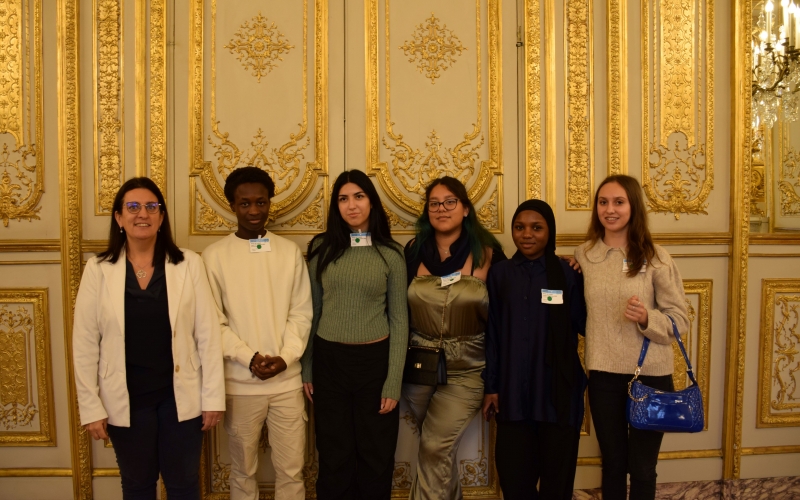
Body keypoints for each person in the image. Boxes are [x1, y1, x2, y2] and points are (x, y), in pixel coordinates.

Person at [72, 177, 225, 500]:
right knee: (138, 485)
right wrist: (91, 406)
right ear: (118, 218)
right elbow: (85, 342)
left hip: (179, 398)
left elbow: (208, 335)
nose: (143, 214)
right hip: (126, 399)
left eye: (151, 207)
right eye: (133, 207)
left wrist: (212, 398)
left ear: (161, 216)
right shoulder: (98, 269)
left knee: (183, 483)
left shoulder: (188, 264)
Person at [574, 175, 689, 500]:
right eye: (603, 202)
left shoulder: (656, 258)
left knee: (641, 468)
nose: (609, 209)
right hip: (603, 376)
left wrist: (647, 318)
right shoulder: (584, 256)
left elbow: (680, 321)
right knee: (612, 464)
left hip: (650, 377)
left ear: (633, 206)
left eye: (618, 202)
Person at [202, 167, 313, 500]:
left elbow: (301, 313)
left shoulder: (289, 252)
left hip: (287, 383)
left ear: (270, 203)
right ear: (232, 206)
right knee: (242, 472)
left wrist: (285, 357)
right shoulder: (214, 257)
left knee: (292, 471)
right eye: (245, 203)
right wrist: (249, 358)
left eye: (261, 202)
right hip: (239, 385)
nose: (253, 211)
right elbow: (213, 323)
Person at [300, 169, 408, 499]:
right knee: (334, 456)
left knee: (376, 457)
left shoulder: (391, 253)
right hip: (330, 363)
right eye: (343, 198)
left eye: (359, 197)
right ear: (336, 206)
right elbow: (312, 311)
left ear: (372, 203)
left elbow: (400, 321)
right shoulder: (321, 248)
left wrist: (392, 382)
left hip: (374, 365)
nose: (351, 205)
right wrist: (307, 367)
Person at [402, 176, 505, 500]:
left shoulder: (488, 253)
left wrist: (494, 383)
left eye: (449, 202)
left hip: (468, 370)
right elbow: (398, 311)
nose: (441, 209)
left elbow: (502, 323)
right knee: (436, 452)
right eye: (434, 203)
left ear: (465, 209)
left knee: (434, 445)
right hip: (418, 368)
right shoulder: (414, 251)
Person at [482, 199, 587, 500]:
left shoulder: (567, 274)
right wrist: (491, 387)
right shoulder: (501, 275)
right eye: (519, 227)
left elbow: (584, 324)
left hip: (557, 397)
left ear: (549, 231)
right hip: (513, 396)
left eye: (536, 228)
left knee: (557, 486)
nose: (527, 234)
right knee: (515, 483)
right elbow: (494, 334)